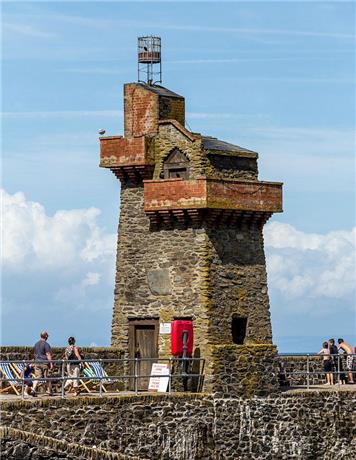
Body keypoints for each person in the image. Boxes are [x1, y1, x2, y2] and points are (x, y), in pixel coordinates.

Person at [32, 330, 53, 395]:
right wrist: (51, 363)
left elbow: (34, 354)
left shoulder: (36, 344)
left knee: (37, 377)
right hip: (44, 363)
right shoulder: (46, 344)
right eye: (47, 336)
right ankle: (49, 391)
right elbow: (48, 354)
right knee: (47, 377)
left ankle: (33, 389)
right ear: (46, 336)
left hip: (37, 362)